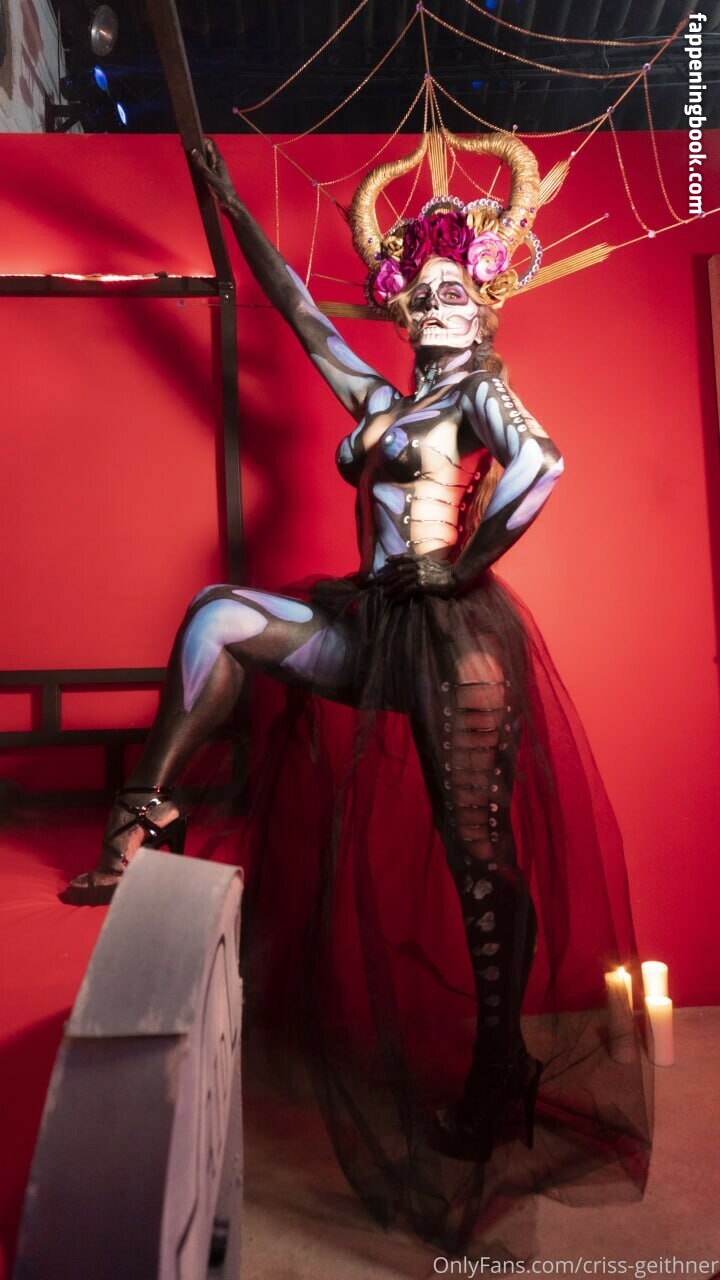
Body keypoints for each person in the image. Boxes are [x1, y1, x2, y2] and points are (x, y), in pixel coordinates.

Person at [62, 136, 650, 1243]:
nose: (434, 305)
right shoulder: (381, 397)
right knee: (219, 615)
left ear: (485, 306)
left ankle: (502, 1062)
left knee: (477, 860)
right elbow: (299, 316)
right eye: (419, 292)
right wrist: (232, 207)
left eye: (454, 291)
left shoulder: (482, 391)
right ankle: (141, 821)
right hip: (372, 624)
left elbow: (544, 464)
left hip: (453, 643)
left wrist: (461, 567)